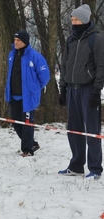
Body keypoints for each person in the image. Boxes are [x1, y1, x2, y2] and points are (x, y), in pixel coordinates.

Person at [58, 4, 104, 179]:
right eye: (72, 20)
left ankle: (95, 168)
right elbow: (65, 65)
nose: (73, 22)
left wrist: (96, 90)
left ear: (84, 20)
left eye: (76, 19)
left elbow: (101, 66)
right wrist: (63, 88)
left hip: (88, 90)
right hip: (72, 90)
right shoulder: (70, 40)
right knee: (74, 129)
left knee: (91, 129)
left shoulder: (96, 39)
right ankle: (76, 165)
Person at [5, 30, 50, 157]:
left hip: (28, 97)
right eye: (15, 40)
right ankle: (32, 143)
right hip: (14, 95)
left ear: (25, 41)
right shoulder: (11, 55)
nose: (16, 42)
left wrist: (35, 88)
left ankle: (28, 149)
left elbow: (45, 76)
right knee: (15, 121)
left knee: (27, 124)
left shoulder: (35, 56)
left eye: (18, 40)